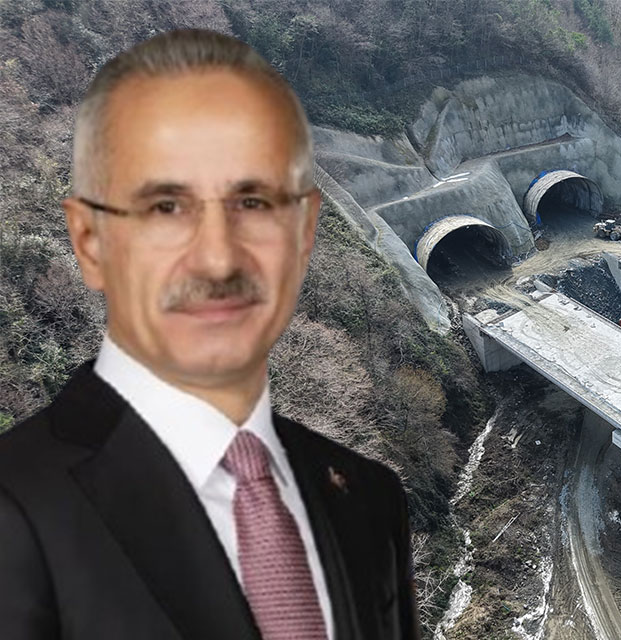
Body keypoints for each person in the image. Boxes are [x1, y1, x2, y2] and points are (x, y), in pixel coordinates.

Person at [0, 29, 418, 640]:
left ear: (304, 231)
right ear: (90, 241)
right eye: (165, 207)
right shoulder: (18, 514)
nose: (219, 259)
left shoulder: (368, 498)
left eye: (254, 202)